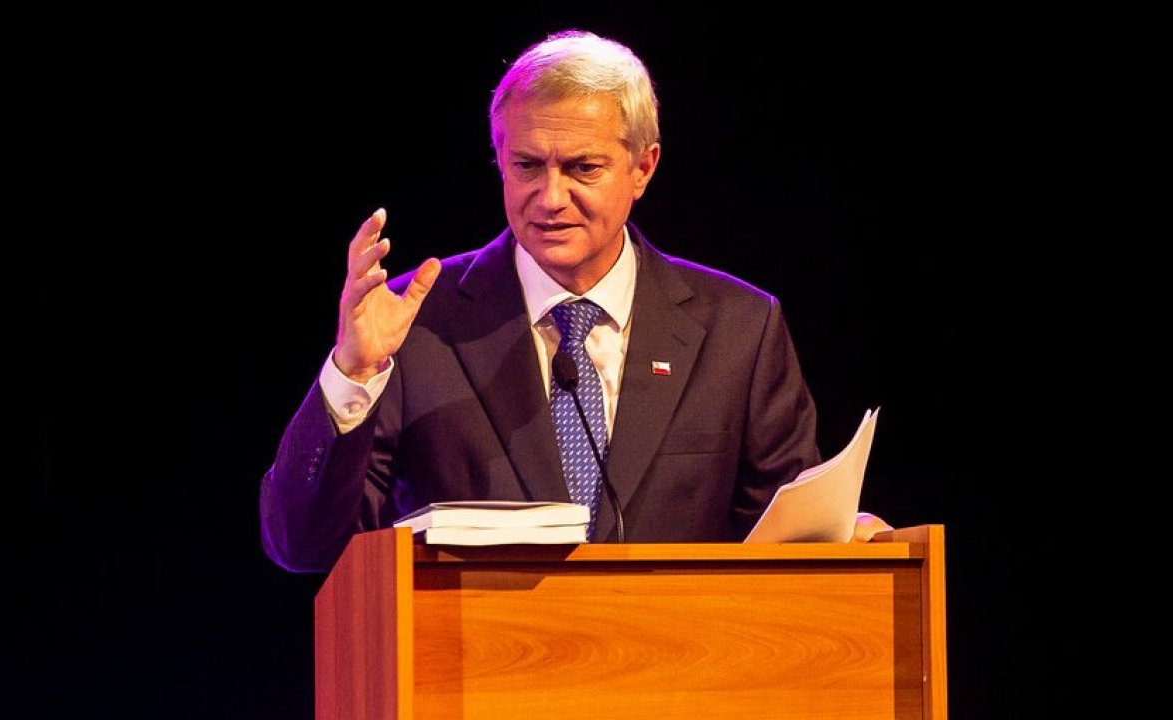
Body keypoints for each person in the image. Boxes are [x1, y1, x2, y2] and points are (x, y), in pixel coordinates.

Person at [260, 30, 888, 573]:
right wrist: (352, 373)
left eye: (583, 168)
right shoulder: (416, 322)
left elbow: (787, 549)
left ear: (643, 167)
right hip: (478, 666)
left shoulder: (739, 329)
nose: (551, 198)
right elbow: (303, 545)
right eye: (527, 166)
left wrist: (840, 539)